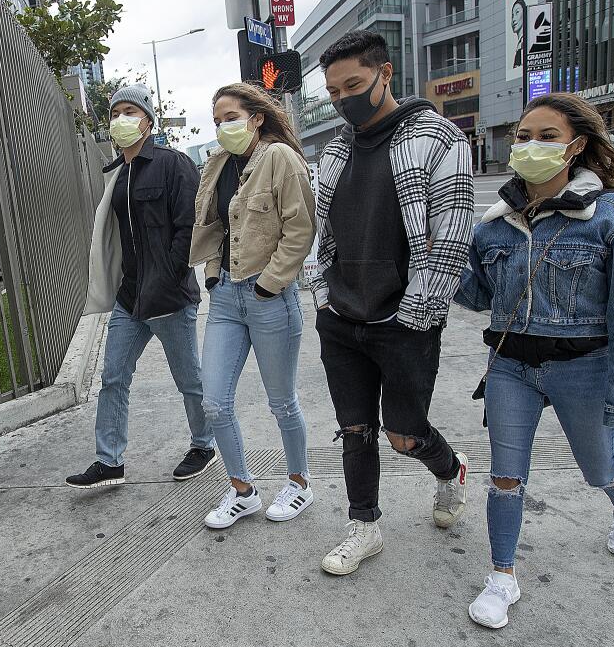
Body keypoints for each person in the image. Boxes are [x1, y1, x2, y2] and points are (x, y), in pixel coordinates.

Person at [455, 93, 614, 629]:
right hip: (510, 366)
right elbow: (477, 297)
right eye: (523, 136)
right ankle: (502, 577)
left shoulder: (612, 218)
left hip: (584, 368)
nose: (531, 146)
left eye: (547, 136)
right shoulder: (494, 225)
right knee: (505, 476)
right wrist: (446, 254)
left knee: (599, 469)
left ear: (577, 146)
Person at [310, 30, 474, 575]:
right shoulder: (335, 147)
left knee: (404, 435)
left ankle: (450, 472)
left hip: (405, 320)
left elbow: (449, 242)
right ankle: (364, 526)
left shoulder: (439, 139)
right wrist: (322, 298)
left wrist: (415, 316)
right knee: (355, 429)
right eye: (333, 91)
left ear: (385, 74)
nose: (343, 99)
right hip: (341, 317)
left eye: (352, 85)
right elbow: (321, 232)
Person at [70, 84, 217, 488]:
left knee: (189, 379)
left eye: (130, 111)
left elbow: (189, 228)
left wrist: (168, 275)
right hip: (130, 296)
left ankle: (203, 445)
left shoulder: (174, 164)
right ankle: (109, 461)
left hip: (169, 297)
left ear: (148, 121)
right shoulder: (117, 172)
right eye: (115, 112)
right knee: (113, 376)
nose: (121, 119)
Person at [188, 84, 316, 528]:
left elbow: (301, 230)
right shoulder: (217, 164)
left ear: (256, 117)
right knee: (215, 403)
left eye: (230, 116)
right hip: (225, 296)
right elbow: (212, 226)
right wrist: (211, 274)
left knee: (281, 402)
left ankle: (300, 483)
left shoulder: (280, 158)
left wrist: (268, 285)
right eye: (217, 119)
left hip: (269, 298)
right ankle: (243, 490)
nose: (223, 126)